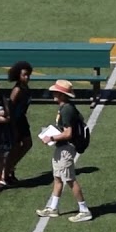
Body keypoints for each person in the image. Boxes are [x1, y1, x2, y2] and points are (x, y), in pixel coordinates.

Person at [36, 80, 93, 222]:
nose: (53, 94)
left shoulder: (67, 109)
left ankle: (84, 210)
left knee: (70, 179)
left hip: (66, 148)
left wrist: (51, 137)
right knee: (57, 178)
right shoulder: (65, 107)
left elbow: (68, 134)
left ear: (62, 94)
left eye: (56, 92)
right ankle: (53, 208)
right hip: (62, 148)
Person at [4, 61, 34, 186]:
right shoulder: (17, 89)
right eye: (24, 75)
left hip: (22, 119)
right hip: (15, 121)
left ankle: (10, 168)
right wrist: (12, 126)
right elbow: (9, 106)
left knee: (27, 144)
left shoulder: (26, 88)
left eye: (28, 75)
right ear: (18, 76)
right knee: (15, 147)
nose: (26, 77)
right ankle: (5, 174)